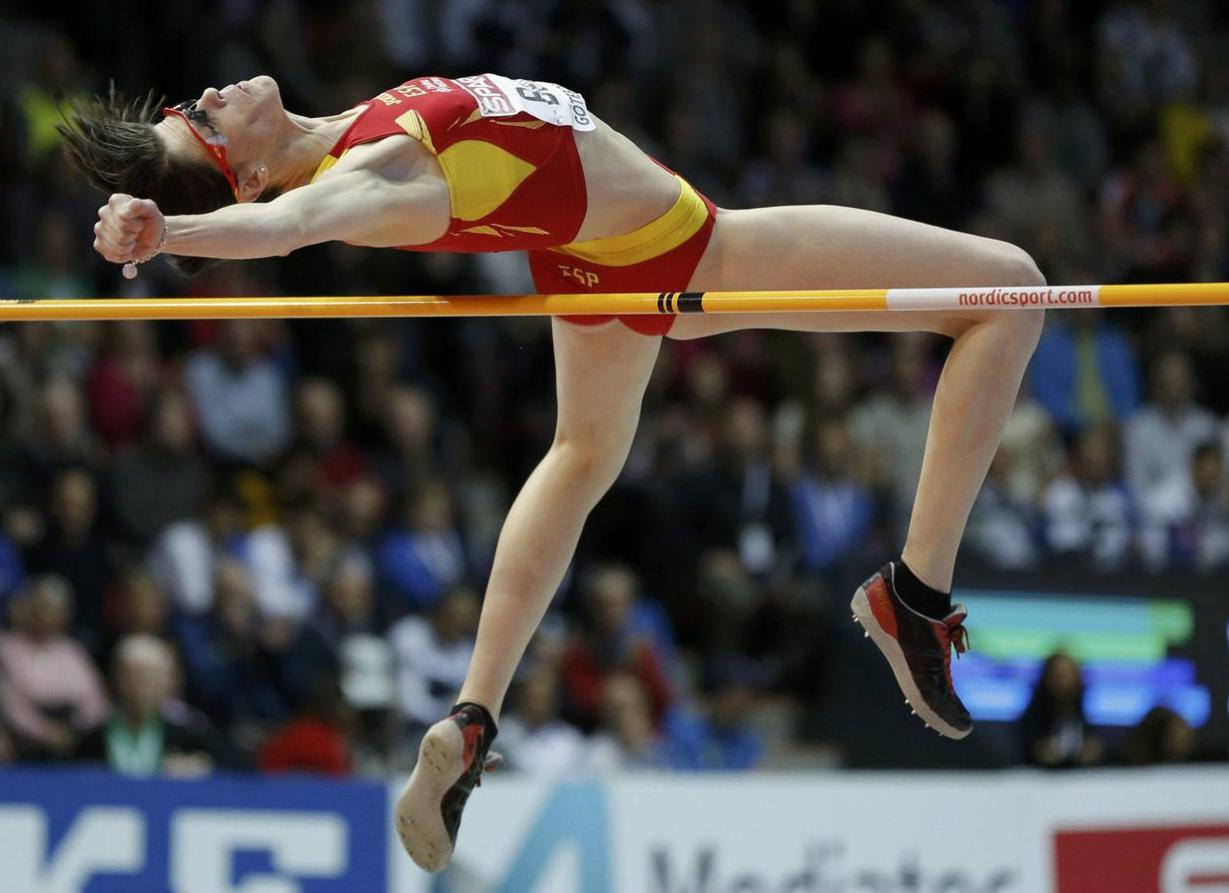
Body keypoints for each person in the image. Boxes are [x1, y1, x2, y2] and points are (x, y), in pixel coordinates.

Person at [70, 71, 1046, 871]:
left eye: (182, 109)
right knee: (1006, 288)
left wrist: (176, 216)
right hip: (688, 248)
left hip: (590, 258)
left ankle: (473, 714)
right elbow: (289, 228)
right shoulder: (371, 171)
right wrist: (178, 234)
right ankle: (912, 593)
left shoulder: (352, 130)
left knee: (580, 455)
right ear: (239, 174)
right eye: (200, 122)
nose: (205, 93)